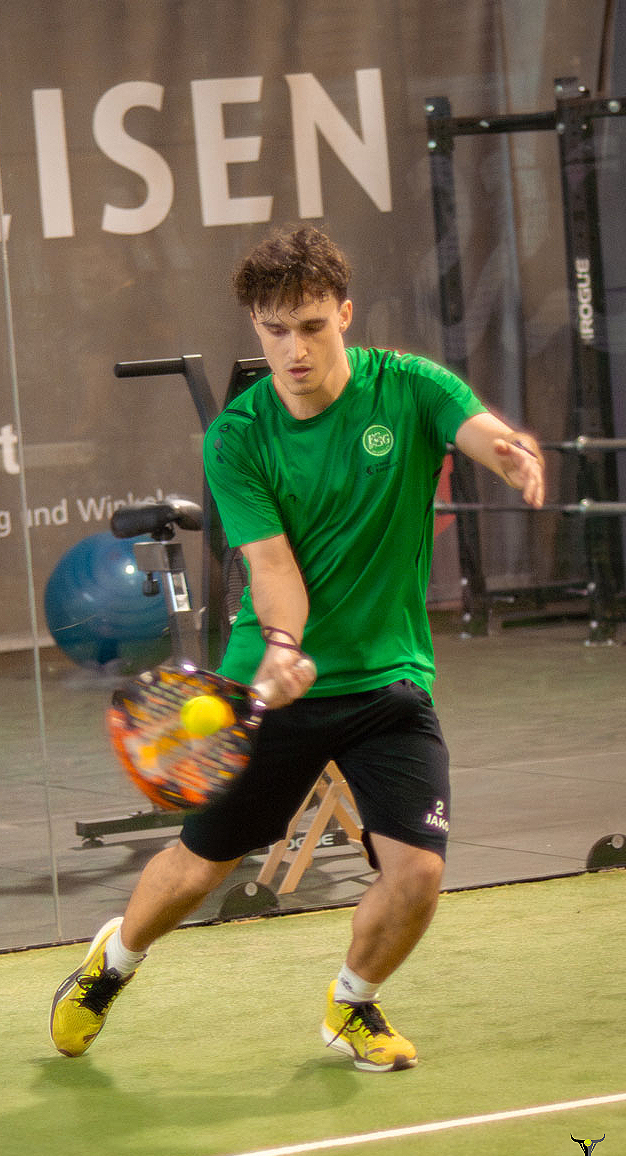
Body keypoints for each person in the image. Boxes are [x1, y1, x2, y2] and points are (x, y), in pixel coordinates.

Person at [50, 224, 545, 1071]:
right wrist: (282, 646)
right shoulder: (237, 438)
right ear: (256, 329)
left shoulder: (409, 389)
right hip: (268, 689)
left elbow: (477, 430)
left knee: (418, 874)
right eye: (276, 330)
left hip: (387, 682)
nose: (295, 348)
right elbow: (273, 568)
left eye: (312, 325)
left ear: (344, 314)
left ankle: (353, 1005)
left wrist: (508, 453)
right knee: (201, 870)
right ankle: (111, 964)